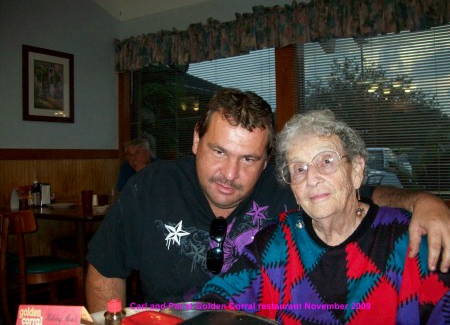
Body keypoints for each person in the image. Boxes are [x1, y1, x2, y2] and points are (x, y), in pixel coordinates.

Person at [86, 88, 450, 312]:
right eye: (218, 151)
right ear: (196, 140)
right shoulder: (151, 186)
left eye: (248, 159)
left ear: (267, 163)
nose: (230, 173)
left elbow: (356, 197)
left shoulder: (292, 189)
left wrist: (423, 201)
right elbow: (106, 269)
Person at [195, 109, 450, 324]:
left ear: (356, 171)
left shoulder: (408, 239)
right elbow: (218, 299)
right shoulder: (276, 240)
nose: (312, 178)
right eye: (299, 168)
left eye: (326, 161)